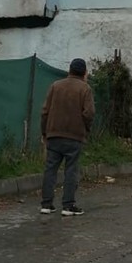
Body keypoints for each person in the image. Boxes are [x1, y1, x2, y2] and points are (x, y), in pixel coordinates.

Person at [40, 58, 95, 217]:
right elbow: (89, 113)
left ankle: (46, 204)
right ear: (84, 72)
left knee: (50, 169)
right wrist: (86, 128)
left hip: (54, 134)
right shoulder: (85, 89)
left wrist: (45, 132)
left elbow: (45, 111)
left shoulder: (55, 86)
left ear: (69, 70)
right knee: (71, 170)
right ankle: (68, 205)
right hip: (74, 136)